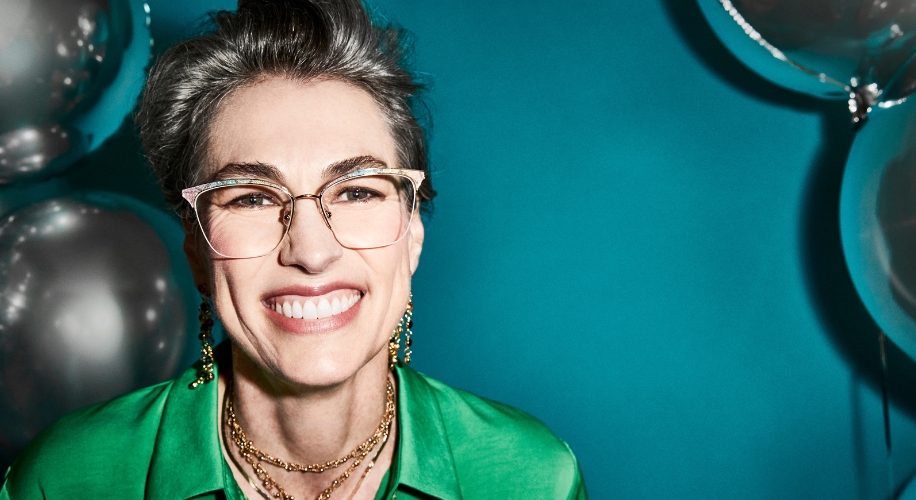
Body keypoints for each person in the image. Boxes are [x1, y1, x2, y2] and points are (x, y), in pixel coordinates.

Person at [0, 1, 587, 498]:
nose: (311, 251)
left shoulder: (532, 478)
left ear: (411, 236)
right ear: (198, 252)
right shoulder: (66, 479)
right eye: (252, 198)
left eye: (357, 190)